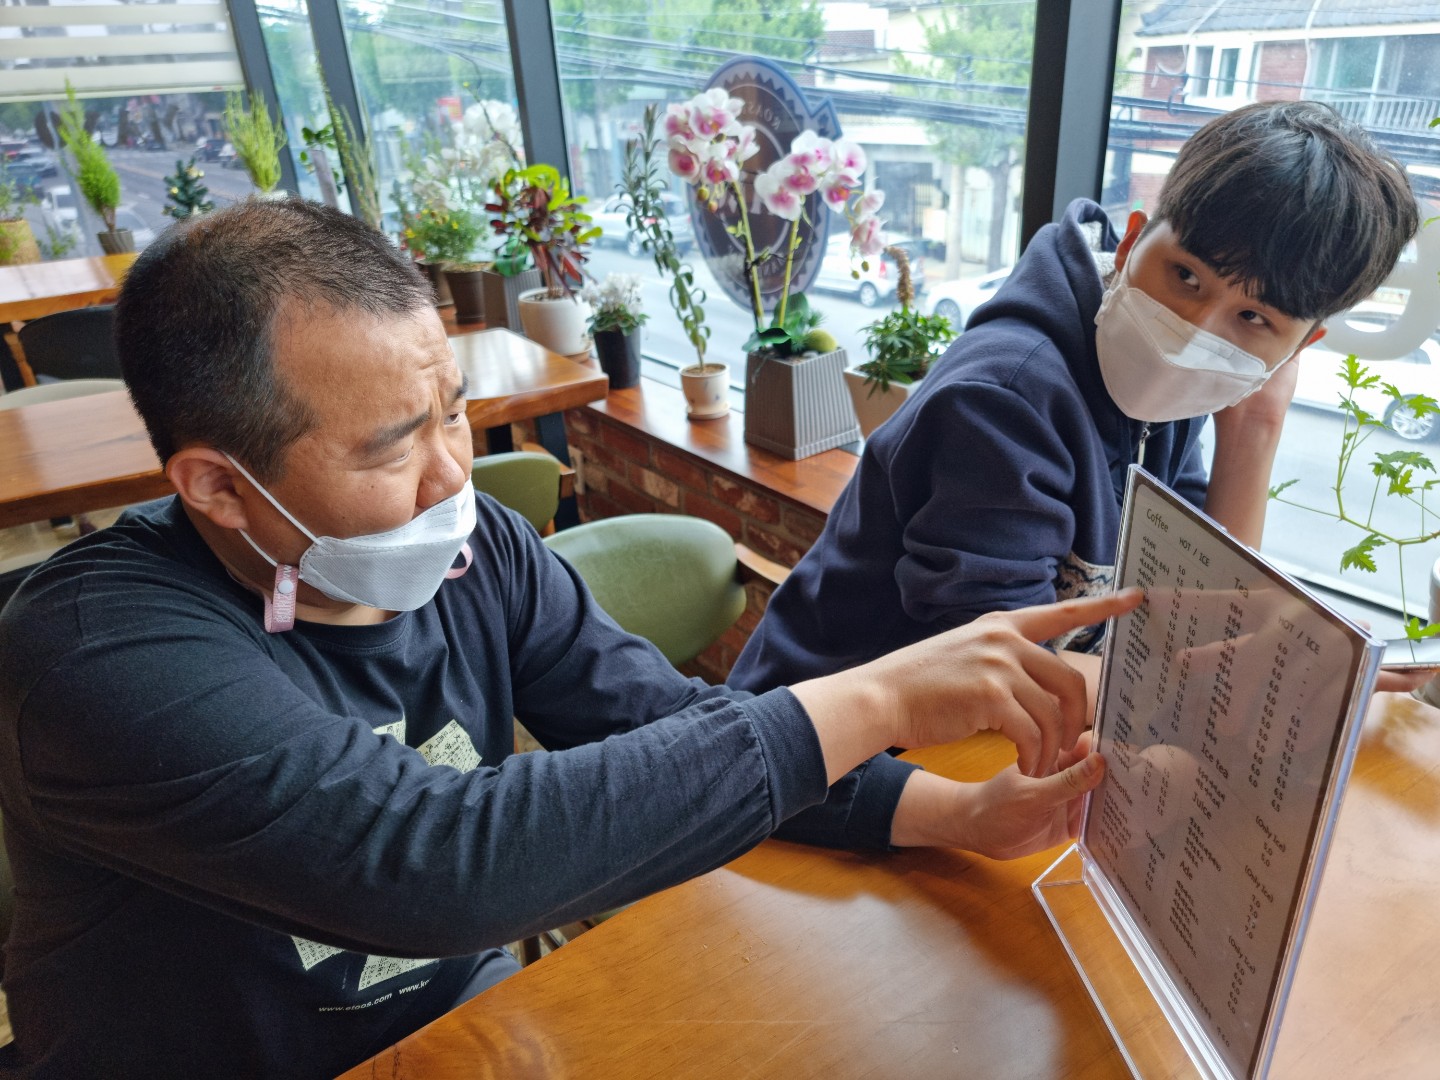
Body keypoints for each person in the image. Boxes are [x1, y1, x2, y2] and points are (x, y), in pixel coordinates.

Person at [0, 198, 1142, 1079]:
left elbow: (665, 720)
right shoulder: (96, 652)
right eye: (394, 447)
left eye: (454, 413)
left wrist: (952, 814)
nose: (453, 477)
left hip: (468, 1031)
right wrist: (878, 699)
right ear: (218, 486)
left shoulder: (479, 552)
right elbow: (435, 865)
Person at [730, 100, 1420, 699]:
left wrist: (1256, 428)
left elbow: (1195, 605)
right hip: (823, 756)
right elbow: (1000, 671)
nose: (1193, 334)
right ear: (1132, 241)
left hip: (964, 745)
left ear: (1300, 347)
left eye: (1253, 319)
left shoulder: (1172, 397)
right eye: (1185, 276)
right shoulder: (1003, 398)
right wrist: (1247, 686)